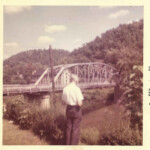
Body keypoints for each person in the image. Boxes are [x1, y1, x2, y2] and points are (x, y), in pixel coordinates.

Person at [62, 74, 84, 145]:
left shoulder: (65, 89)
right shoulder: (77, 89)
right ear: (75, 80)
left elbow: (63, 102)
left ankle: (67, 145)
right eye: (77, 80)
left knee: (68, 128)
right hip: (76, 110)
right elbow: (80, 103)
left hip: (68, 109)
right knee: (75, 129)